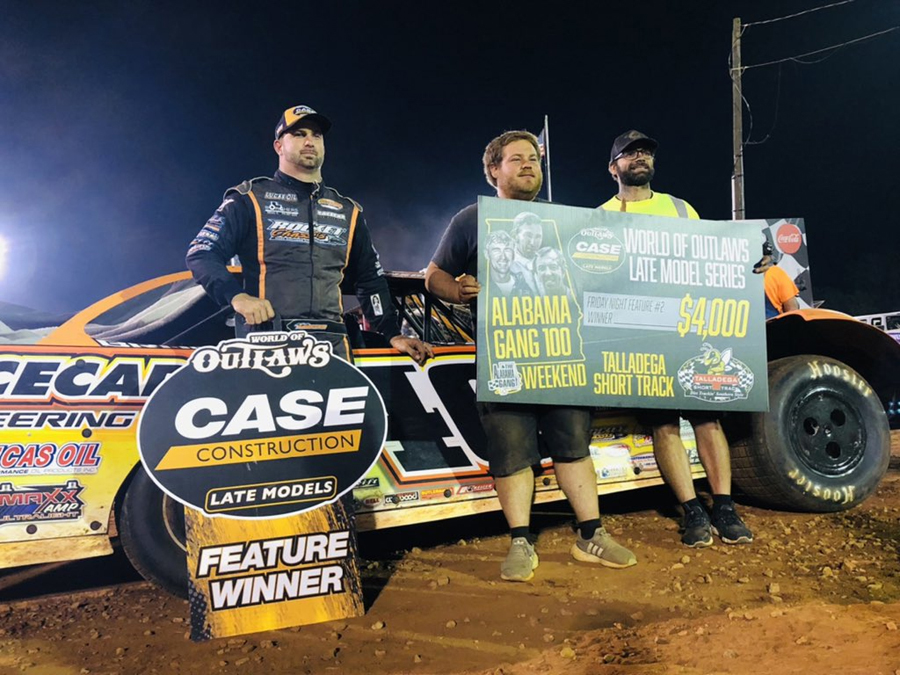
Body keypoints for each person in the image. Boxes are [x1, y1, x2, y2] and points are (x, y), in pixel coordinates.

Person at [426, 130, 636, 582]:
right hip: (506, 361)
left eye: (534, 159)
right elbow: (434, 275)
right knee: (511, 454)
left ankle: (591, 535)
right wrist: (456, 290)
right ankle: (520, 540)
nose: (528, 165)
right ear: (493, 170)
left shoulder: (566, 220)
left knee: (573, 447)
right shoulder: (471, 219)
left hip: (563, 356)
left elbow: (612, 265)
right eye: (516, 159)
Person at [186, 104, 432, 365]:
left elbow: (370, 279)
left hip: (333, 344)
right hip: (268, 341)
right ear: (279, 146)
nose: (309, 141)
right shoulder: (249, 199)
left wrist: (392, 333)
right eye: (299, 134)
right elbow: (201, 253)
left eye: (316, 135)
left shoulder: (348, 211)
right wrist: (237, 297)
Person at [600, 129, 753, 547]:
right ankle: (692, 509)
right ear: (613, 168)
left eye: (646, 152)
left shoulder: (682, 209)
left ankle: (724, 506)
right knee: (663, 425)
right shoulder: (600, 218)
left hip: (690, 329)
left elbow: (711, 262)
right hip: (640, 336)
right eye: (630, 153)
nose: (640, 157)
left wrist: (749, 262)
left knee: (707, 418)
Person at [484, 230, 532, 297]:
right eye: (496, 250)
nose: (503, 257)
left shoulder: (524, 286)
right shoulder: (478, 285)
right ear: (487, 254)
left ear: (513, 255)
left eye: (507, 250)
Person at [509, 211, 543, 292]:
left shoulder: (546, 263)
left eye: (538, 237)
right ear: (514, 236)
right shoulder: (505, 266)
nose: (532, 243)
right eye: (528, 235)